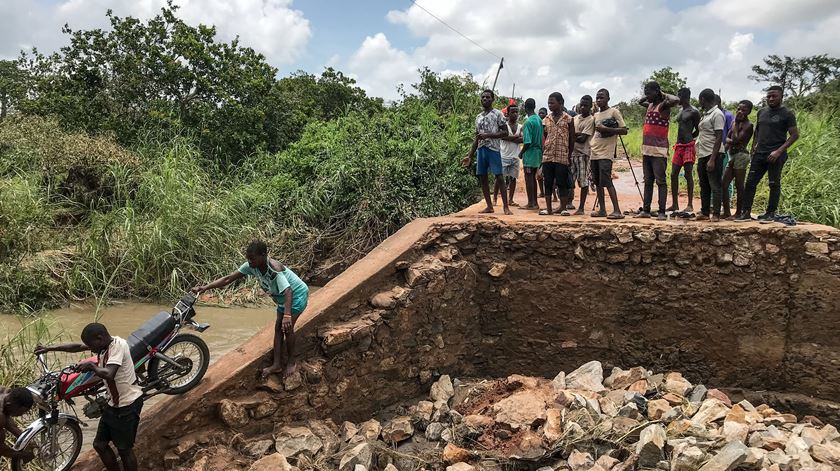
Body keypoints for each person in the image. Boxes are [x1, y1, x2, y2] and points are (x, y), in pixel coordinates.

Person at [192, 240, 309, 378]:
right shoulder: (252, 266)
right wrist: (204, 288)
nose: (249, 261)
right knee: (278, 328)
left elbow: (288, 290)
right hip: (282, 297)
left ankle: (291, 362)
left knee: (287, 328)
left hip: (296, 295)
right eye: (248, 258)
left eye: (252, 258)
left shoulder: (274, 270)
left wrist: (287, 315)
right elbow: (228, 279)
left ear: (263, 255)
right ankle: (276, 365)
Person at [36, 324, 144, 471]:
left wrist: (91, 367)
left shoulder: (118, 346)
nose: (90, 349)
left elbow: (109, 373)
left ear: (100, 338)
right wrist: (49, 348)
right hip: (113, 403)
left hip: (128, 404)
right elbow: (77, 347)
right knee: (99, 445)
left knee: (124, 450)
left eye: (91, 345)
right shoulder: (102, 345)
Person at [736, 86, 799, 222]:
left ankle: (770, 214)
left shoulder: (787, 113)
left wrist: (779, 151)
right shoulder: (762, 112)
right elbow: (757, 131)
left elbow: (794, 135)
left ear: (781, 97)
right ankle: (745, 213)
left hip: (775, 154)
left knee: (774, 184)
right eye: (768, 96)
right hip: (759, 154)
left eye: (774, 96)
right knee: (750, 183)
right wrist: (754, 146)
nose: (770, 98)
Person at [462, 89, 512, 215]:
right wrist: (470, 155)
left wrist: (488, 135)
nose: (485, 99)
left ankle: (506, 207)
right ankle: (489, 206)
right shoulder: (478, 117)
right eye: (483, 97)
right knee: (482, 178)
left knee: (499, 177)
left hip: (493, 149)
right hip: (481, 150)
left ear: (492, 99)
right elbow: (477, 137)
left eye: (488, 97)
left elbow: (505, 132)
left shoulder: (498, 114)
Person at [636, 82, 679, 220]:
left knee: (660, 181)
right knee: (648, 181)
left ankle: (661, 211)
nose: (646, 95)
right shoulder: (650, 105)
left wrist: (662, 94)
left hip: (659, 151)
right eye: (645, 92)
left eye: (649, 92)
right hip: (647, 150)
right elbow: (639, 101)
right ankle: (646, 210)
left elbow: (676, 100)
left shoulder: (663, 106)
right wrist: (650, 96)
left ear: (657, 92)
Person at [589, 89, 627, 219]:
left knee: (607, 180)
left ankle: (617, 210)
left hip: (606, 153)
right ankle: (602, 210)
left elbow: (624, 130)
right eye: (597, 98)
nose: (599, 100)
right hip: (594, 151)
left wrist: (607, 129)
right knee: (598, 182)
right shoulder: (595, 115)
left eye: (602, 98)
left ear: (608, 99)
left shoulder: (614, 112)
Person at [539, 92, 575, 216]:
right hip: (548, 155)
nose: (550, 105)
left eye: (552, 102)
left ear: (560, 103)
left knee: (562, 182)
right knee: (548, 182)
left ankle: (563, 208)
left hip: (561, 156)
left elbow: (572, 139)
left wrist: (569, 155)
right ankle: (549, 209)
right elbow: (545, 136)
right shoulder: (546, 120)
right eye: (549, 103)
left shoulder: (568, 119)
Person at [695, 88, 726, 222]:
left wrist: (712, 159)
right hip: (703, 153)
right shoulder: (706, 114)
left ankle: (716, 214)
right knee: (704, 184)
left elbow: (719, 137)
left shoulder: (717, 114)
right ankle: (705, 211)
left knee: (715, 184)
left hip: (713, 154)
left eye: (700, 100)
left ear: (703, 99)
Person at [722, 100, 754, 219]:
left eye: (743, 110)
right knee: (724, 184)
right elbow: (727, 139)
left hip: (741, 155)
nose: (740, 112)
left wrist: (735, 125)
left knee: (739, 185)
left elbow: (734, 140)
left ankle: (738, 213)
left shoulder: (748, 125)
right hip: (732, 154)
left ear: (749, 112)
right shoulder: (735, 123)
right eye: (738, 109)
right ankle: (726, 212)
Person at [669, 88, 700, 212]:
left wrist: (690, 138)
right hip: (679, 146)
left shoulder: (694, 111)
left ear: (685, 97)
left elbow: (698, 129)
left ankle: (690, 204)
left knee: (688, 174)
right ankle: (675, 204)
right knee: (673, 174)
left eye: (679, 96)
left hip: (688, 145)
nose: (677, 99)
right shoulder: (681, 111)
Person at [570, 95, 595, 215]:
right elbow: (576, 136)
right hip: (572, 153)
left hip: (583, 153)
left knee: (583, 181)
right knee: (570, 180)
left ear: (590, 106)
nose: (582, 107)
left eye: (585, 105)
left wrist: (573, 135)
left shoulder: (590, 120)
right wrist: (576, 135)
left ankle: (581, 208)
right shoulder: (575, 118)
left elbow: (582, 139)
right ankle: (568, 204)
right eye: (581, 105)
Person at [494, 103, 522, 206]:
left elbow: (522, 139)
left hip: (515, 156)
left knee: (513, 179)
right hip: (504, 155)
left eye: (516, 112)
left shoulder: (520, 126)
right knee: (499, 178)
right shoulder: (504, 126)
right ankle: (495, 198)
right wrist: (515, 138)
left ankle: (510, 200)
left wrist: (508, 138)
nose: (515, 114)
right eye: (512, 112)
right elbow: (501, 137)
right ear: (508, 114)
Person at [519, 98, 543, 210]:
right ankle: (535, 203)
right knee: (533, 177)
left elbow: (527, 142)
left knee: (529, 178)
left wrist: (521, 153)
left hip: (530, 153)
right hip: (538, 152)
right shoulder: (538, 119)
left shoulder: (528, 122)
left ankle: (531, 203)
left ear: (525, 108)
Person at [0, 387, 35, 463]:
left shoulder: (6, 392)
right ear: (10, 405)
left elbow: (10, 423)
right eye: (21, 411)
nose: (21, 415)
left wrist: (27, 439)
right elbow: (0, 448)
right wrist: (22, 455)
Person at [537, 107, 548, 198]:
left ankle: (553, 195)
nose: (541, 115)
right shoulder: (537, 125)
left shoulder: (548, 124)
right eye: (539, 113)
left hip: (547, 152)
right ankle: (541, 192)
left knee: (548, 175)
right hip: (539, 152)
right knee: (539, 174)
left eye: (543, 113)